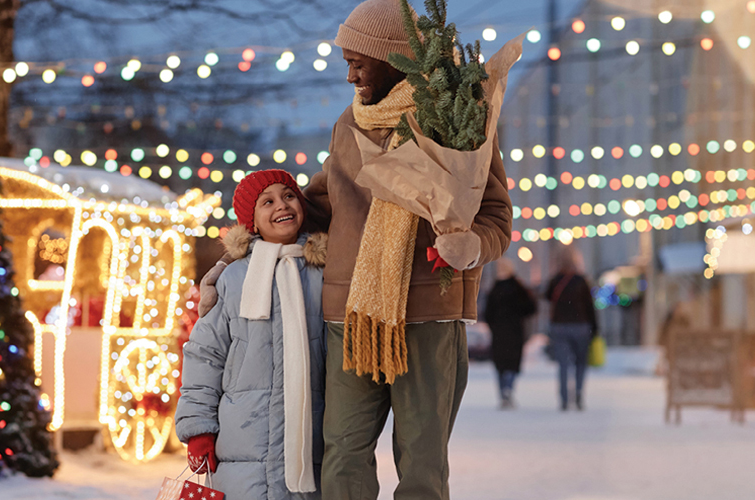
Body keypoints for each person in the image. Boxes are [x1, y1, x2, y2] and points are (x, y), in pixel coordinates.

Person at [195, 1, 513, 496]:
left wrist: (470, 245)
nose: (349, 76)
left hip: (429, 317)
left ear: (393, 57)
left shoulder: (461, 118)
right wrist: (234, 259)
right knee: (341, 455)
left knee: (423, 464)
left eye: (357, 63)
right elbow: (316, 205)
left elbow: (495, 215)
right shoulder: (350, 124)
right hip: (351, 317)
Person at [177, 170, 330, 500]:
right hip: (242, 446)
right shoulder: (233, 278)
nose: (281, 205)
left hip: (309, 438)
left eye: (289, 195)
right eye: (268, 201)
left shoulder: (323, 275)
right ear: (253, 223)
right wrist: (199, 428)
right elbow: (205, 354)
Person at [543, 247, 598, 412]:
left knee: (563, 364)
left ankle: (564, 398)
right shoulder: (582, 281)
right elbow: (590, 306)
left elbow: (547, 297)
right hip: (581, 326)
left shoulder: (555, 280)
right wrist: (595, 328)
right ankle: (579, 394)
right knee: (581, 363)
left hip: (560, 327)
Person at [480, 259, 536, 410]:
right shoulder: (518, 288)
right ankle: (508, 389)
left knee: (501, 364)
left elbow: (487, 313)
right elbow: (530, 308)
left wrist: (494, 325)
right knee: (512, 363)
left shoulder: (494, 289)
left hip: (499, 332)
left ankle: (503, 391)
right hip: (515, 331)